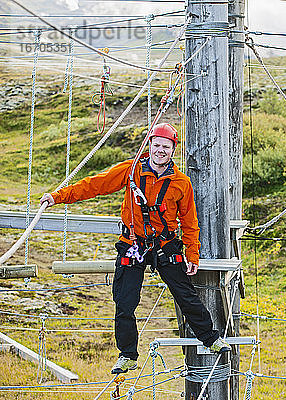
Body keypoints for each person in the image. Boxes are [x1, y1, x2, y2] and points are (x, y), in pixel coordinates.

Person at [40, 123, 231, 374]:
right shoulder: (131, 172)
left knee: (185, 294)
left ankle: (210, 338)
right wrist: (57, 196)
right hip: (134, 245)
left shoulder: (181, 183)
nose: (160, 150)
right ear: (149, 145)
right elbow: (94, 185)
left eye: (166, 146)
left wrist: (192, 254)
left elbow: (189, 221)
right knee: (125, 301)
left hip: (165, 245)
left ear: (173, 150)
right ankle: (127, 354)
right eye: (157, 144)